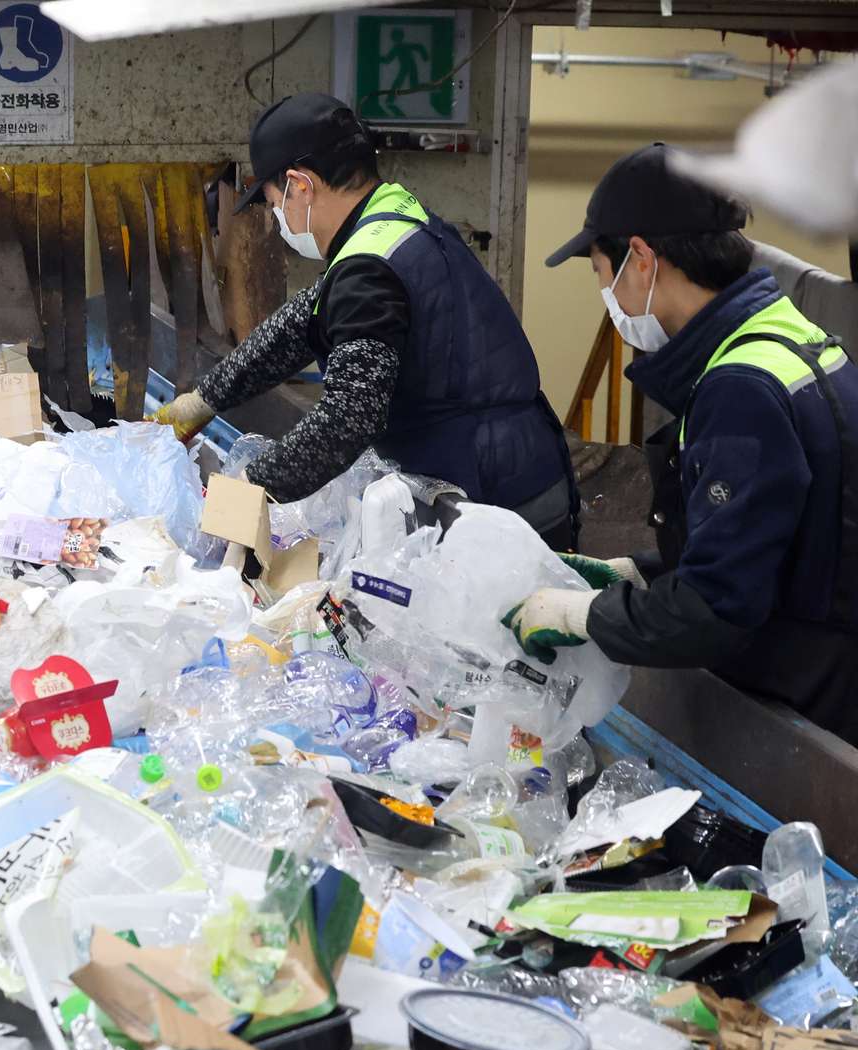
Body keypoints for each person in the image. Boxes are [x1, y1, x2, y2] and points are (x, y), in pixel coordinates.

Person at [506, 143, 858, 737]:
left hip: (815, 701)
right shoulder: (791, 337)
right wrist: (637, 572)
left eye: (601, 273)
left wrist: (581, 613)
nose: (610, 300)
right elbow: (771, 540)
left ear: (641, 258)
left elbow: (717, 609)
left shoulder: (740, 390)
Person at [152, 93, 579, 547]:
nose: (276, 217)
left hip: (495, 504)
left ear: (299, 185)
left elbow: (348, 418)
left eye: (273, 200)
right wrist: (202, 400)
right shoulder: (391, 218)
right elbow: (304, 322)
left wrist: (247, 491)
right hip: (518, 471)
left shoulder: (368, 265)